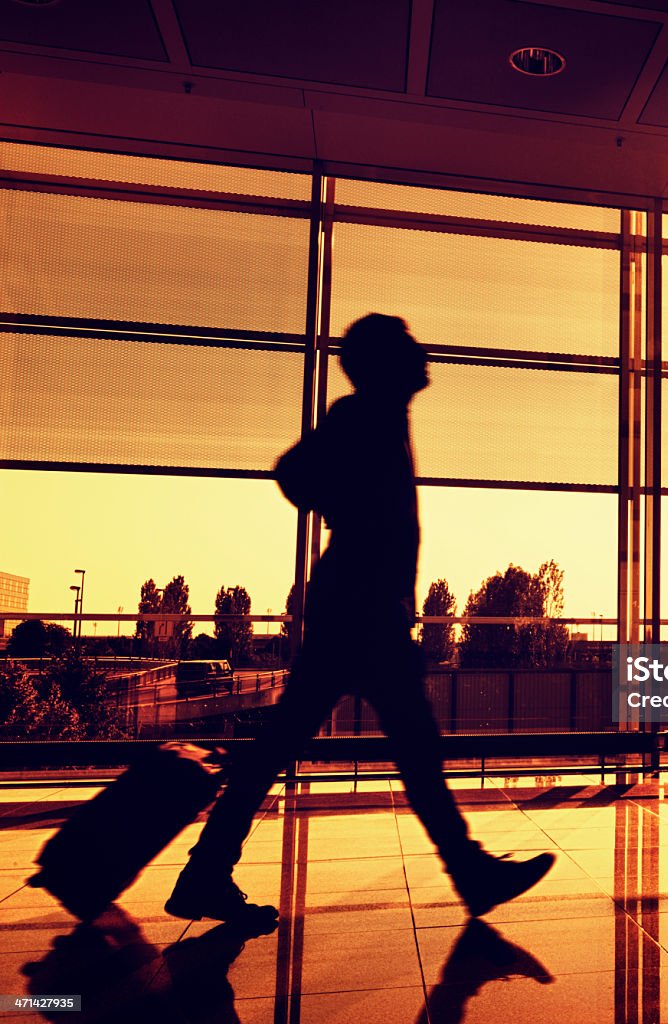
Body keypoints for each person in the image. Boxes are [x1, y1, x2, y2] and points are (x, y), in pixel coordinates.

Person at [165, 314, 554, 923]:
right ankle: (469, 872)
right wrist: (346, 513)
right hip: (361, 611)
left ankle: (206, 871)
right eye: (408, 347)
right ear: (383, 363)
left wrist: (345, 514)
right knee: (407, 749)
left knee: (291, 746)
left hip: (360, 609)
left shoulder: (381, 416)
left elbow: (302, 478)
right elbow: (292, 472)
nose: (423, 354)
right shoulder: (361, 415)